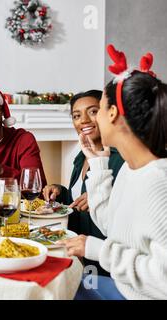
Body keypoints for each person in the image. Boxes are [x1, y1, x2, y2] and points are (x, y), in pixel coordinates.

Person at [58, 45, 167, 300]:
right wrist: (97, 164)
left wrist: (98, 250)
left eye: (98, 110)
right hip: (122, 288)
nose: (89, 121)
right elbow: (111, 224)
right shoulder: (132, 169)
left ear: (113, 114)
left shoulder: (159, 183)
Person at [42, 90, 124, 276]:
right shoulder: (81, 157)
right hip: (82, 251)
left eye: (93, 111)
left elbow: (126, 205)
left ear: (108, 114)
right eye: (76, 116)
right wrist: (60, 192)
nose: (84, 120)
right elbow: (77, 198)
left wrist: (102, 197)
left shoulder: (121, 158)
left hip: (107, 257)